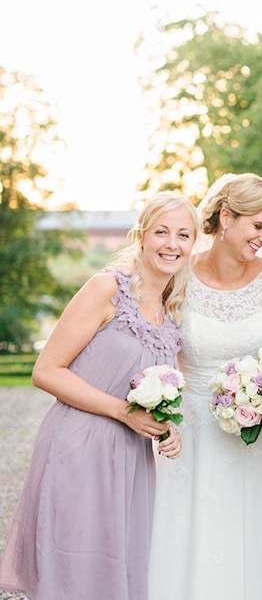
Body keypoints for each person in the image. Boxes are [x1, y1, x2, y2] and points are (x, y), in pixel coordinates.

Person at [0, 191, 199, 600]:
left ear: (193, 244)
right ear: (142, 236)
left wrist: (167, 427)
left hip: (131, 460)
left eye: (183, 235)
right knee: (73, 569)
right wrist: (123, 412)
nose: (171, 244)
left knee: (118, 572)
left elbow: (153, 391)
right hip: (80, 445)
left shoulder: (172, 309)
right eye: (161, 232)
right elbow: (46, 371)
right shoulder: (106, 288)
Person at [148, 173, 262, 600]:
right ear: (226, 217)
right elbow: (153, 349)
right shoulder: (177, 274)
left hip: (255, 435)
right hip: (190, 432)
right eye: (258, 226)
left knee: (255, 531)